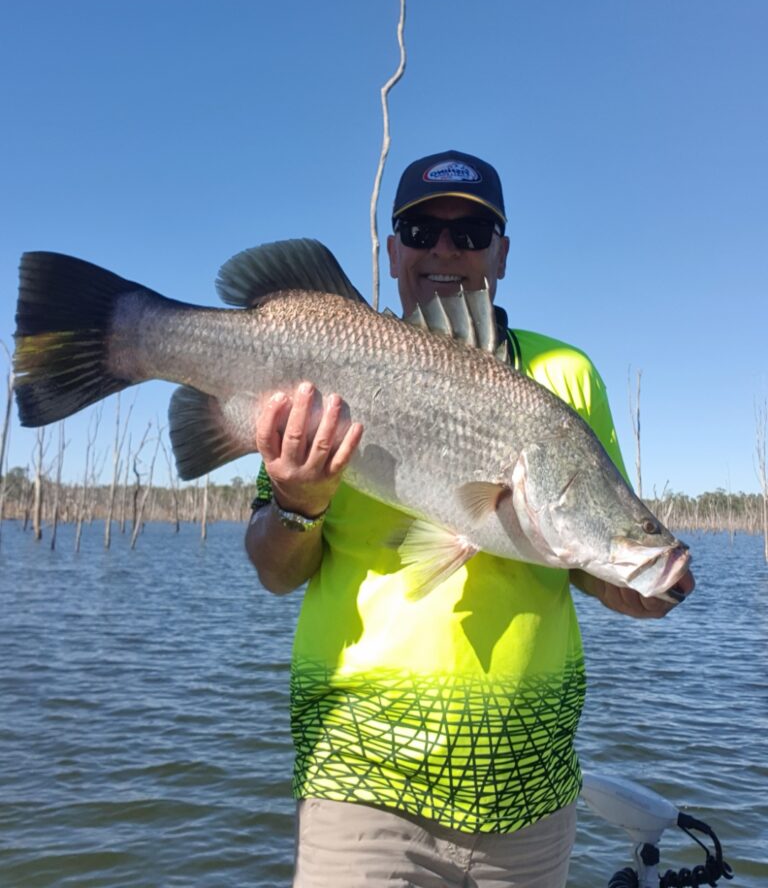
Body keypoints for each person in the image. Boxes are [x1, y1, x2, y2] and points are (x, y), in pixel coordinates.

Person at [245, 149, 694, 888]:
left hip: (530, 792)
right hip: (358, 776)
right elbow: (273, 571)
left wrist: (631, 579)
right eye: (421, 232)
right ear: (393, 252)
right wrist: (298, 502)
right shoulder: (319, 363)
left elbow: (577, 546)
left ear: (503, 253)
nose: (446, 250)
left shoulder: (566, 376)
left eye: (472, 234)